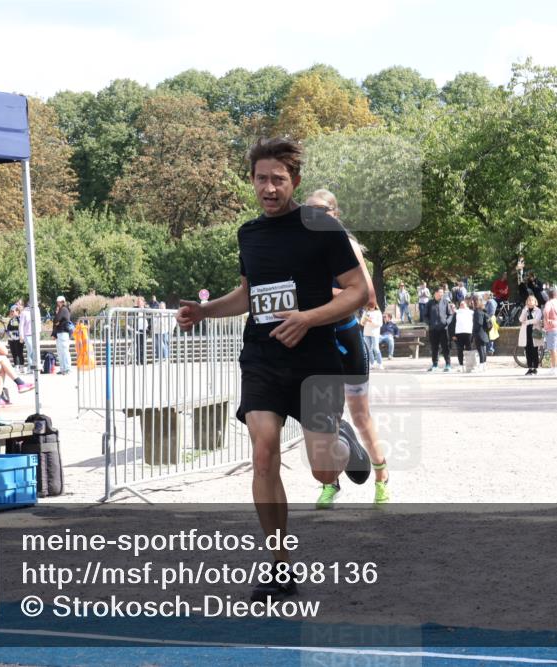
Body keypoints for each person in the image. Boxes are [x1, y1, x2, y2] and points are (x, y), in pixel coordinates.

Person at [177, 138, 371, 601]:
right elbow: (248, 293)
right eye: (262, 178)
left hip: (315, 358)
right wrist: (205, 312)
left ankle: (343, 443)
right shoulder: (249, 234)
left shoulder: (321, 227)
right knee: (263, 454)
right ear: (252, 181)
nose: (269, 187)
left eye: (278, 179)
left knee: (324, 473)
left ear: (295, 182)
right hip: (263, 358)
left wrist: (307, 318)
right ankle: (280, 568)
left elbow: (357, 291)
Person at [305, 188, 389, 507]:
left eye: (321, 210)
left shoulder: (347, 245)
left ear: (334, 214)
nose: (313, 216)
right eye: (308, 211)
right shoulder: (302, 249)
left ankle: (381, 475)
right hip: (318, 342)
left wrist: (316, 291)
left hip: (346, 337)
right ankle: (331, 482)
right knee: (325, 418)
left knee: (360, 415)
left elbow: (366, 293)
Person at [424, 287, 453, 372]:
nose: (442, 294)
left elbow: (450, 314)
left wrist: (446, 322)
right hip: (433, 329)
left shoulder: (445, 302)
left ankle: (448, 365)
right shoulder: (429, 303)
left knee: (445, 347)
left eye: (442, 293)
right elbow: (425, 316)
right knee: (434, 347)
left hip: (443, 329)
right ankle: (435, 365)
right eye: (440, 292)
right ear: (435, 293)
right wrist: (429, 323)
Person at [518, 295, 542, 376]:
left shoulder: (538, 310)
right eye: (528, 300)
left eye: (532, 300)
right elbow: (521, 319)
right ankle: (529, 368)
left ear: (535, 302)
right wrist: (524, 310)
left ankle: (535, 368)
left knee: (534, 350)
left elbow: (536, 320)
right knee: (527, 351)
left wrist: (527, 322)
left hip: (535, 331)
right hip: (526, 332)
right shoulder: (526, 310)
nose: (530, 301)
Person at [360, 302, 384, 370]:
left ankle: (380, 363)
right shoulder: (366, 312)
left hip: (375, 333)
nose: (370, 306)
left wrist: (371, 321)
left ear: (375, 305)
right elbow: (361, 323)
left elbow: (380, 324)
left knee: (376, 349)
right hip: (367, 333)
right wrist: (364, 321)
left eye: (372, 305)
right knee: (368, 349)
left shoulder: (378, 312)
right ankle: (372, 363)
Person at [471, 295, 491, 372]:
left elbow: (479, 323)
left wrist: (474, 331)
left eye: (473, 301)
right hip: (484, 333)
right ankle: (484, 366)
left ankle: (481, 365)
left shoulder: (477, 311)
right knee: (483, 350)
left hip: (479, 333)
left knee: (481, 350)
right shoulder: (482, 310)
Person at [19, 297, 40, 372]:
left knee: (36, 350)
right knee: (30, 350)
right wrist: (21, 335)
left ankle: (35, 365)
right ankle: (31, 367)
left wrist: (39, 331)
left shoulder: (37, 310)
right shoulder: (24, 312)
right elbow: (21, 325)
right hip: (27, 334)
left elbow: (38, 322)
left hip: (35, 334)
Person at [452, 297, 474, 372]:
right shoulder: (456, 313)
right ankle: (460, 365)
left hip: (468, 333)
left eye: (463, 304)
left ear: (466, 305)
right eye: (461, 304)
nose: (462, 305)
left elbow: (474, 323)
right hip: (458, 333)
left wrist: (473, 334)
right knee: (459, 350)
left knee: (469, 349)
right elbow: (452, 324)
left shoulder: (471, 312)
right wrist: (453, 335)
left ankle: (469, 365)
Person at [53, 296, 73, 376]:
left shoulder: (63, 309)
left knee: (64, 351)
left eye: (59, 302)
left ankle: (67, 368)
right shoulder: (61, 310)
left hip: (64, 333)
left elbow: (56, 319)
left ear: (62, 302)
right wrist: (57, 321)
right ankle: (62, 369)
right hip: (60, 333)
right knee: (60, 352)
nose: (58, 303)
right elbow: (55, 321)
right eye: (58, 302)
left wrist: (57, 321)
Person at [5, 305, 26, 371]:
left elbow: (20, 327)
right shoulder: (11, 320)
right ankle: (16, 366)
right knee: (13, 352)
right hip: (11, 339)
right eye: (11, 311)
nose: (11, 313)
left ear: (17, 311)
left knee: (19, 352)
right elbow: (9, 328)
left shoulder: (20, 318)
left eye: (13, 311)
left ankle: (21, 366)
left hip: (18, 338)